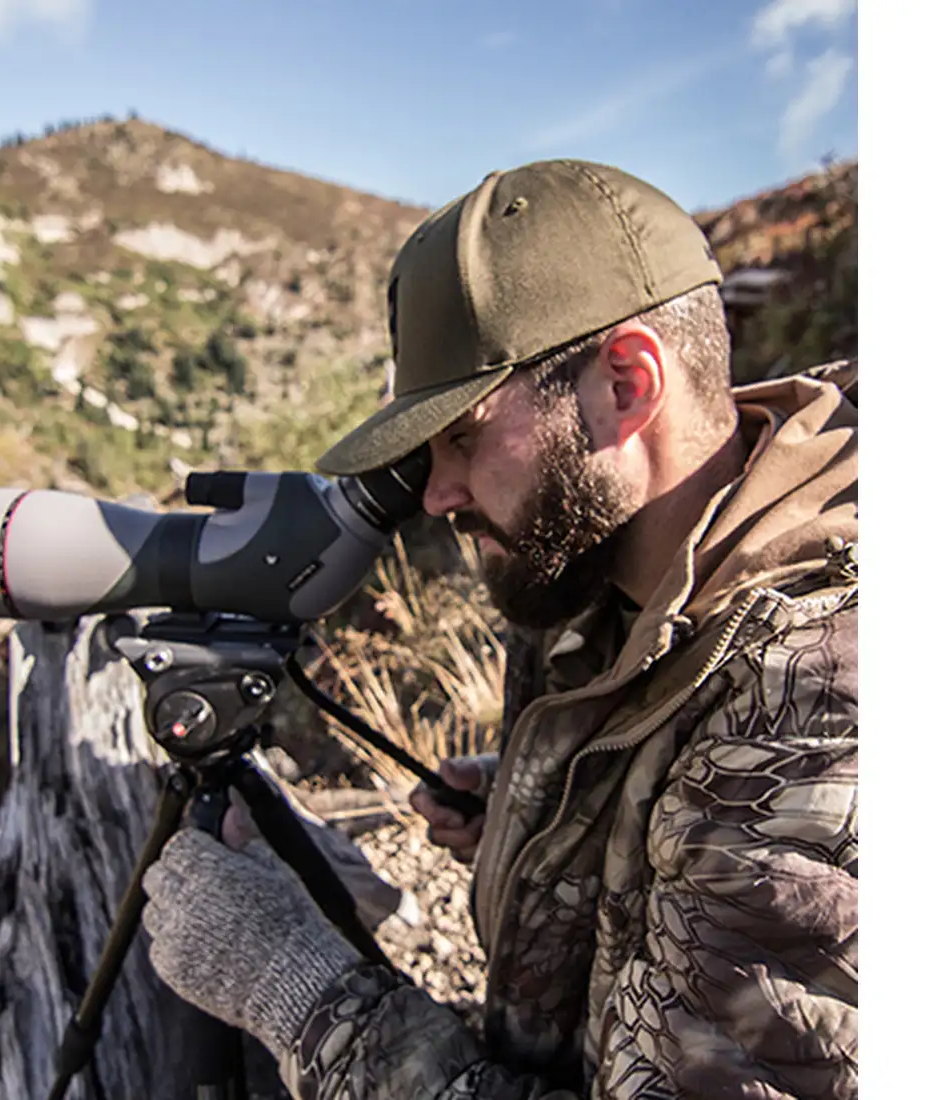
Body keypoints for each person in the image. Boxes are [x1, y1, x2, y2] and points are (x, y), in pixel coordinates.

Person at [140, 159, 858, 1099]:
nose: (436, 495)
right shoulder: (599, 576)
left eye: (465, 438)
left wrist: (305, 997)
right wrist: (549, 826)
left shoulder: (820, 712)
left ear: (628, 385)